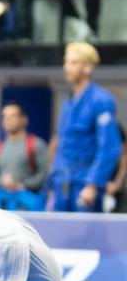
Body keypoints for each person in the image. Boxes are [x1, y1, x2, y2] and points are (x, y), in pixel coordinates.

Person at [47, 42, 121, 212]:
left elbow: (110, 146)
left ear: (88, 67)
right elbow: (62, 145)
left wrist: (93, 183)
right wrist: (52, 182)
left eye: (74, 62)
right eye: (66, 62)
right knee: (59, 234)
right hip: (62, 182)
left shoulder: (101, 100)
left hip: (85, 182)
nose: (67, 67)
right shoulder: (68, 101)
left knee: (88, 237)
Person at [0, 102, 49, 194]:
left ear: (24, 120)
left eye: (13, 116)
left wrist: (23, 185)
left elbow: (45, 174)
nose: (8, 119)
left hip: (28, 204)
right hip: (2, 204)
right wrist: (2, 181)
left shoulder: (36, 144)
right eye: (5, 116)